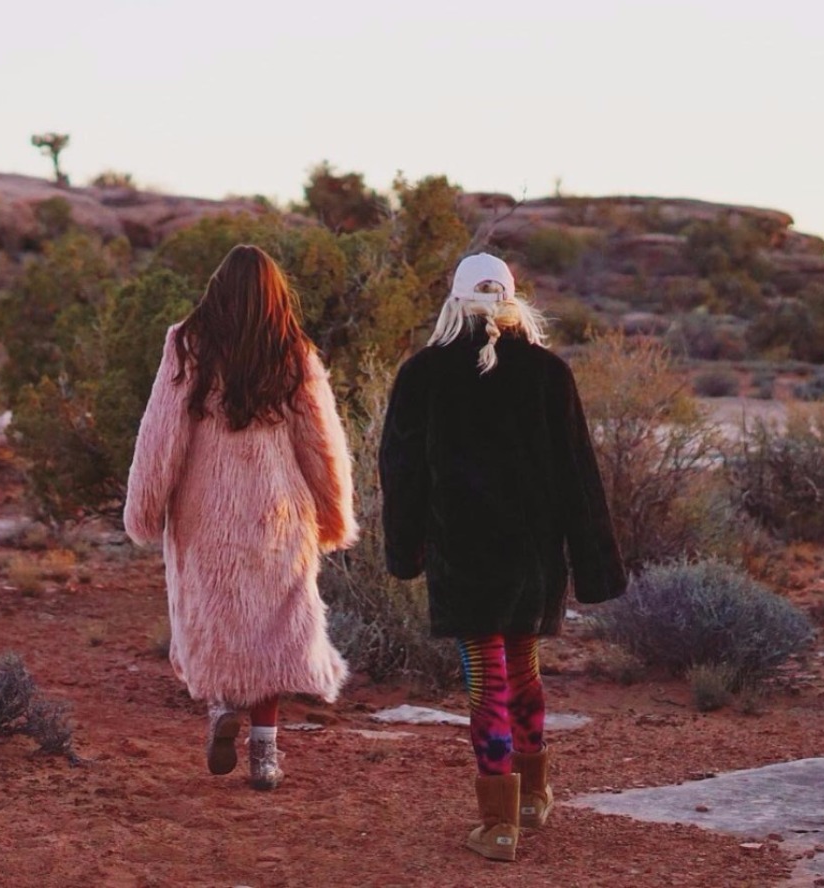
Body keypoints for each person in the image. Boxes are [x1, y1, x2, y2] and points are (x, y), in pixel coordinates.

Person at [378, 252, 626, 861]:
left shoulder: (423, 374)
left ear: (457, 300)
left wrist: (405, 552)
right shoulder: (548, 373)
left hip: (464, 555)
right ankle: (535, 798)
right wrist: (594, 564)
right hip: (533, 556)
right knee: (524, 669)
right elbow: (579, 475)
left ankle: (498, 826)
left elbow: (402, 473)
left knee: (487, 679)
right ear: (512, 299)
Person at [124, 244, 358, 790]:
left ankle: (221, 708)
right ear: (277, 295)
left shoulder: (188, 344)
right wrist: (332, 515)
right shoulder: (292, 351)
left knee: (216, 617)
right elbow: (320, 442)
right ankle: (265, 756)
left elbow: (160, 437)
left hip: (206, 513)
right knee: (272, 630)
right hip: (278, 514)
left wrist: (145, 509)